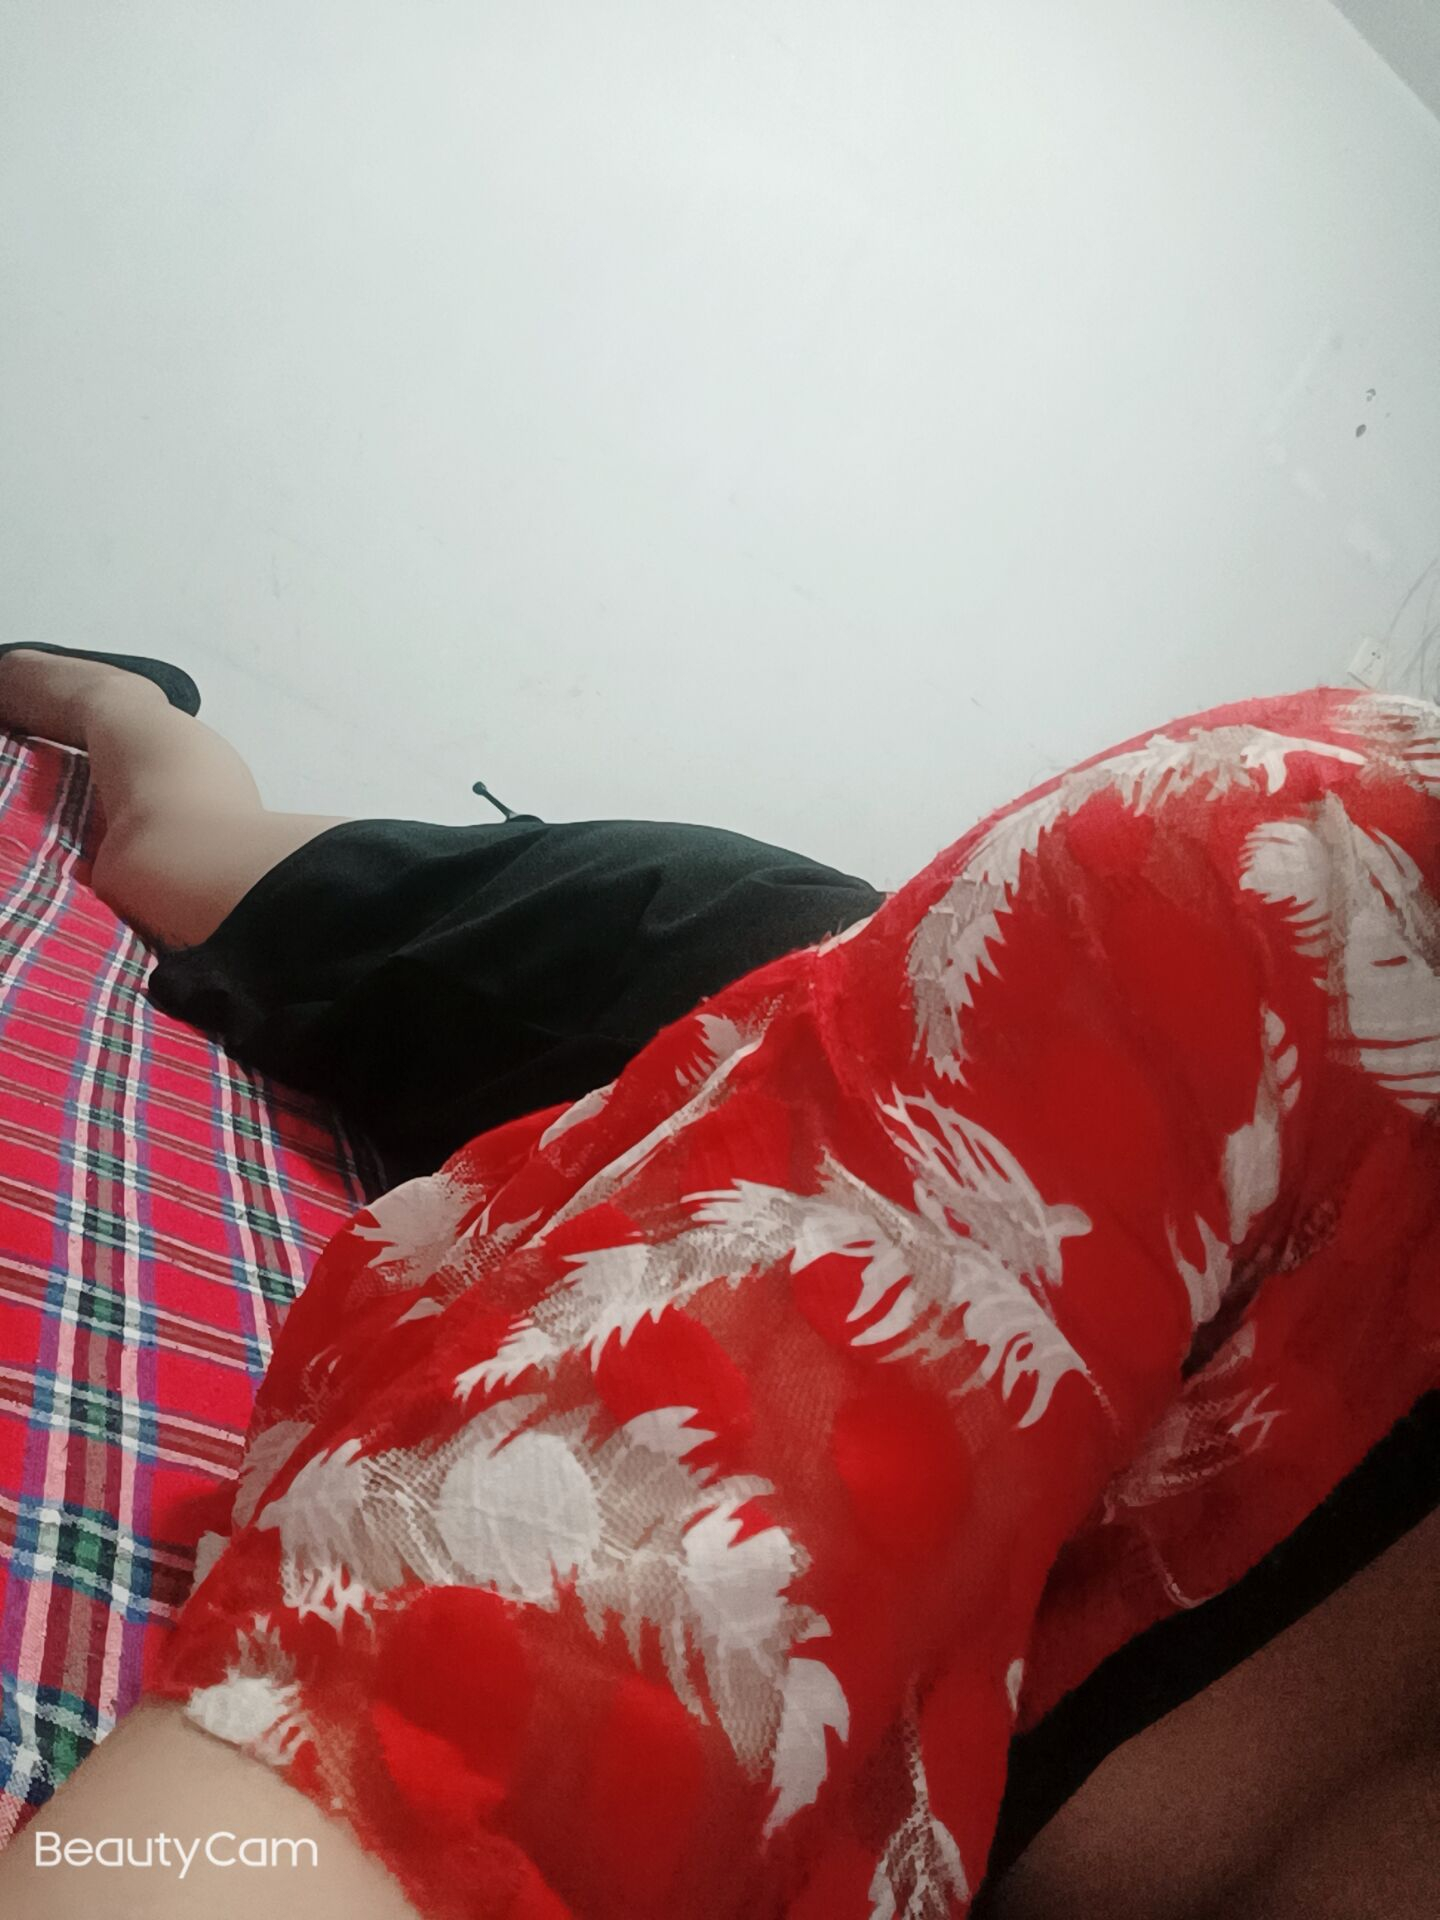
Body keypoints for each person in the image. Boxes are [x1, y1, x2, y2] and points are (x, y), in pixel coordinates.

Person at [0, 644, 1435, 1918]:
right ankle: (113, 691)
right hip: (759, 1013)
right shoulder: (1320, 882)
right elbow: (448, 1731)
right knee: (188, 858)